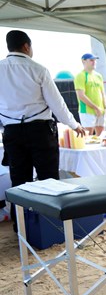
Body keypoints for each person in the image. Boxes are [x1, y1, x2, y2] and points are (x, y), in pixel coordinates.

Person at [0, 30, 84, 225]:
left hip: (12, 131)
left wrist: (5, 125)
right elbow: (57, 103)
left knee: (19, 180)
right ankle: (50, 222)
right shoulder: (38, 69)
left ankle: (21, 225)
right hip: (40, 130)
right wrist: (73, 124)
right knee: (48, 179)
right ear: (26, 46)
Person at [74, 52, 106, 136]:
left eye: (95, 60)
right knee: (88, 136)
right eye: (91, 60)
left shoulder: (98, 76)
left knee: (101, 136)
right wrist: (95, 107)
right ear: (83, 61)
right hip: (87, 111)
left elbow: (103, 93)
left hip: (101, 111)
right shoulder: (80, 75)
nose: (94, 62)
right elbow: (81, 95)